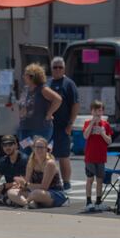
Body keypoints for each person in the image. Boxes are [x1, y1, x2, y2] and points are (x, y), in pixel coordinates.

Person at [6, 136, 68, 208]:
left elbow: (44, 187)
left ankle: (24, 202)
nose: (39, 149)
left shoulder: (50, 163)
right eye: (37, 147)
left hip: (52, 193)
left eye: (42, 147)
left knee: (36, 193)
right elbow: (27, 183)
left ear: (46, 149)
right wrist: (21, 185)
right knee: (11, 192)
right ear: (33, 148)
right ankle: (27, 203)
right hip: (35, 192)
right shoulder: (31, 162)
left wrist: (26, 184)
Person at [48, 56, 79, 190]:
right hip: (48, 127)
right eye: (55, 67)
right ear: (51, 69)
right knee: (48, 156)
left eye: (60, 67)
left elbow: (75, 104)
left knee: (63, 156)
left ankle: (66, 182)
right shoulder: (47, 84)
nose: (58, 70)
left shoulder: (69, 84)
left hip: (63, 126)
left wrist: (70, 124)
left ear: (64, 68)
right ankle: (52, 181)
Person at [19, 63, 62, 148]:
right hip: (25, 128)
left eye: (25, 74)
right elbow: (22, 105)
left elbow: (58, 99)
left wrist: (49, 114)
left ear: (32, 76)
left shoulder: (43, 89)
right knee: (24, 153)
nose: (23, 76)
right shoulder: (26, 89)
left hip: (41, 128)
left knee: (38, 154)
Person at [82, 100, 113, 211]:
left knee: (100, 180)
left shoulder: (106, 125)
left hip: (101, 157)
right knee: (90, 179)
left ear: (102, 111)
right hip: (90, 157)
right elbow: (85, 136)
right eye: (95, 110)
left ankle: (98, 201)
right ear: (92, 111)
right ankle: (88, 201)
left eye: (99, 110)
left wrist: (103, 133)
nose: (97, 113)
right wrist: (91, 124)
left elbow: (109, 141)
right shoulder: (87, 123)